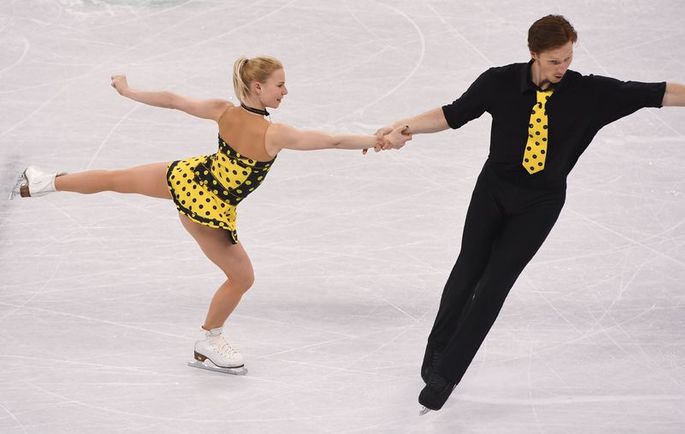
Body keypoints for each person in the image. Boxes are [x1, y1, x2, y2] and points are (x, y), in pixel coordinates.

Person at [375, 14, 685, 412]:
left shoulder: (590, 93)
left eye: (567, 59)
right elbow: (451, 113)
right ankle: (437, 351)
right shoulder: (498, 82)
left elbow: (661, 93)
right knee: (466, 273)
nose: (563, 68)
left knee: (494, 285)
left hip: (540, 203)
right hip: (492, 191)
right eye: (554, 62)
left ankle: (446, 377)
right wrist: (401, 126)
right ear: (533, 55)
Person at [10, 55, 410, 375]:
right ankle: (209, 338)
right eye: (279, 84)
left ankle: (42, 182)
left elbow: (172, 99)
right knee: (242, 277)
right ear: (258, 87)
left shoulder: (223, 111)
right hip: (208, 207)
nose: (285, 91)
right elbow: (332, 139)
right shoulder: (277, 133)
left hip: (189, 176)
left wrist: (128, 91)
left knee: (116, 178)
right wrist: (377, 140)